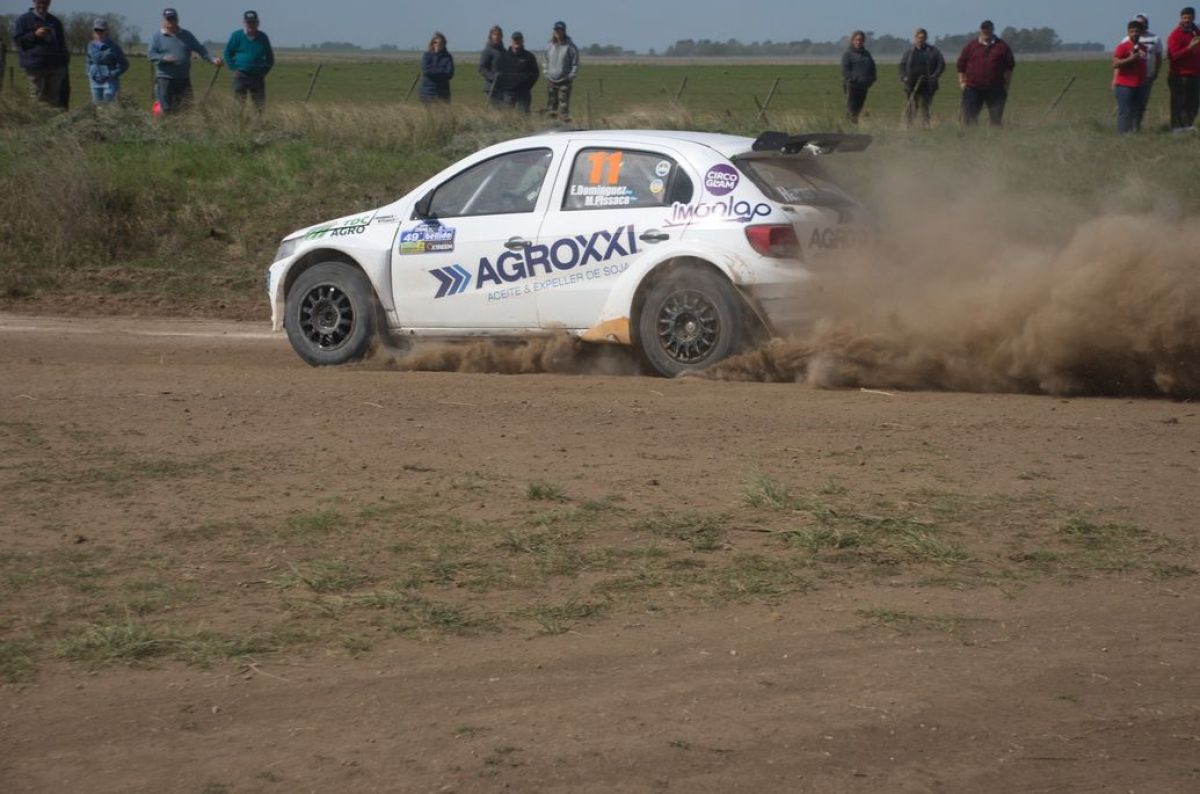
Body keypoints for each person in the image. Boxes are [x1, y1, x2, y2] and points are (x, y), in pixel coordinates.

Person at [148, 8, 221, 114]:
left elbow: (201, 49)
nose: (171, 22)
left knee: (187, 108)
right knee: (167, 109)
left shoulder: (187, 35)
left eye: (173, 18)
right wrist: (163, 58)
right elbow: (151, 54)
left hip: (183, 78)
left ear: (177, 19)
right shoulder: (157, 37)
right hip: (165, 80)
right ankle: (167, 129)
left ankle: (183, 129)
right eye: (168, 19)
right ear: (163, 20)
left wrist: (213, 59)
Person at [956, 20, 1015, 126]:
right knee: (970, 120)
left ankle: (994, 139)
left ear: (992, 30)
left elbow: (1009, 67)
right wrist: (962, 82)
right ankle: (972, 140)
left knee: (996, 120)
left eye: (988, 30)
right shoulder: (971, 46)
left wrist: (1006, 85)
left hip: (996, 88)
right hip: (972, 88)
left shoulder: (1002, 46)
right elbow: (961, 65)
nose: (986, 33)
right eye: (984, 30)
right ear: (980, 31)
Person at [11, 0, 69, 107]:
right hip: (35, 66)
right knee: (37, 100)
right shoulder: (23, 20)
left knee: (54, 99)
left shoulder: (55, 21)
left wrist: (63, 64)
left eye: (46, 2)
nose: (43, 5)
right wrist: (35, 35)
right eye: (40, 2)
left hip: (55, 67)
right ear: (34, 1)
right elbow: (18, 40)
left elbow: (62, 44)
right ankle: (37, 123)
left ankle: (52, 123)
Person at [224, 10, 274, 112]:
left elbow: (270, 58)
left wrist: (264, 72)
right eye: (248, 22)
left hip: (257, 77)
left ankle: (257, 125)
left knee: (259, 105)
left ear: (258, 23)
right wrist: (234, 68)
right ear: (244, 23)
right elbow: (227, 53)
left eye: (253, 22)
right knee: (238, 105)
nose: (251, 24)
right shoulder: (237, 36)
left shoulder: (263, 37)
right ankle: (238, 125)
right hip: (241, 75)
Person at [898, 27, 945, 127]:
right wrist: (903, 77)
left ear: (926, 38)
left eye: (922, 37)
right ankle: (909, 125)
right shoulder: (909, 52)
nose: (920, 39)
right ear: (915, 38)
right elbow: (902, 65)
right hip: (911, 83)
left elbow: (941, 64)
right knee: (912, 105)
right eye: (918, 37)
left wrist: (934, 76)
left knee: (925, 106)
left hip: (927, 83)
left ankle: (926, 125)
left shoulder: (933, 51)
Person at [1113, 20, 1149, 134]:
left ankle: (1135, 133)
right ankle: (1122, 134)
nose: (1134, 33)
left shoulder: (1144, 48)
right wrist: (1130, 59)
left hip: (1140, 84)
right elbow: (1115, 63)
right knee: (1125, 111)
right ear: (1128, 33)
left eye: (1137, 31)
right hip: (1124, 85)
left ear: (1141, 32)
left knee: (1138, 110)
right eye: (1132, 31)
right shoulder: (1123, 47)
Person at [1167, 6, 1200, 132]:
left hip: (1195, 74)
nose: (1187, 20)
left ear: (1193, 18)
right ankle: (1176, 127)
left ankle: (1187, 126)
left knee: (1194, 103)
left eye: (1189, 18)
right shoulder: (1175, 35)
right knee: (1179, 103)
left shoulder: (1197, 32)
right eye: (1184, 18)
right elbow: (1173, 55)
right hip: (1179, 75)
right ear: (1181, 18)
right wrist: (1189, 48)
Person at [1130, 14, 1163, 130]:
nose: (1140, 24)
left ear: (1147, 23)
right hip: (1131, 77)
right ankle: (1127, 127)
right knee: (1129, 103)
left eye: (1143, 22)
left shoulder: (1155, 38)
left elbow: (1159, 57)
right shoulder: (1127, 38)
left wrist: (1155, 73)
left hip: (1147, 77)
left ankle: (1136, 126)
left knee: (1141, 103)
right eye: (1138, 22)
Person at [85, 18, 129, 104]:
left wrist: (113, 74)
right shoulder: (90, 45)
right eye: (96, 30)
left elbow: (124, 64)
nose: (99, 32)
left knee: (109, 106)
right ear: (93, 31)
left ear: (106, 31)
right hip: (95, 81)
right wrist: (88, 72)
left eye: (101, 30)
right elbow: (89, 60)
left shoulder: (114, 47)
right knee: (97, 106)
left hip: (110, 81)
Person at [543, 20, 579, 120]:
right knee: (551, 105)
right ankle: (551, 126)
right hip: (551, 80)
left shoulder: (570, 46)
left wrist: (571, 76)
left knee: (564, 106)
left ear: (564, 31)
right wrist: (546, 73)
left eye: (560, 30)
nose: (558, 32)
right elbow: (545, 60)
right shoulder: (549, 46)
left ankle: (564, 127)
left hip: (565, 81)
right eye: (556, 30)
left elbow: (575, 63)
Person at [496, 31, 539, 112]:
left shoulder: (529, 56)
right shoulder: (503, 56)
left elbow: (535, 74)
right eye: (515, 40)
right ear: (511, 41)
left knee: (523, 116)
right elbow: (498, 73)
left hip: (523, 92)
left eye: (519, 40)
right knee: (508, 117)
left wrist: (527, 86)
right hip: (508, 92)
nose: (517, 42)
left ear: (522, 41)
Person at [840, 31, 876, 124]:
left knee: (858, 109)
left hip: (864, 86)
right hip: (851, 86)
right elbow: (845, 71)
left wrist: (872, 79)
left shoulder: (867, 54)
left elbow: (872, 67)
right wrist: (856, 79)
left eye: (861, 40)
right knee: (851, 109)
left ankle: (855, 128)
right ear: (852, 40)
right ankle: (849, 128)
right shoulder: (847, 54)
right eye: (857, 40)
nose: (859, 42)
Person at [419, 31, 454, 102]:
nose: (438, 44)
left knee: (443, 112)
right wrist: (441, 71)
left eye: (440, 43)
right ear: (432, 43)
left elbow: (449, 74)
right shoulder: (427, 55)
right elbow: (426, 71)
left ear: (444, 44)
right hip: (428, 92)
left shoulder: (447, 57)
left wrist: (434, 71)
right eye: (435, 42)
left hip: (443, 92)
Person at [478, 25, 504, 105]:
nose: (497, 37)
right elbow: (482, 68)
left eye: (499, 34)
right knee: (494, 112)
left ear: (502, 36)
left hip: (504, 87)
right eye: (495, 34)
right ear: (491, 36)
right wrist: (493, 77)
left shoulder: (504, 51)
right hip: (492, 87)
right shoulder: (488, 51)